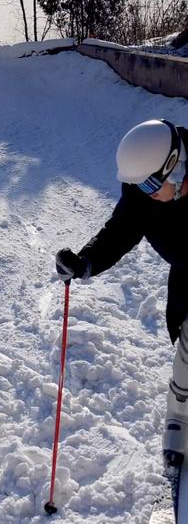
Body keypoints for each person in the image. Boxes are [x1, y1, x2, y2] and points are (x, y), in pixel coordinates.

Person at [55, 118, 188, 465]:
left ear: (174, 165)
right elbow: (120, 231)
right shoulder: (141, 193)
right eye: (140, 188)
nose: (148, 195)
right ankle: (180, 418)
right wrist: (85, 262)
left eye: (152, 186)